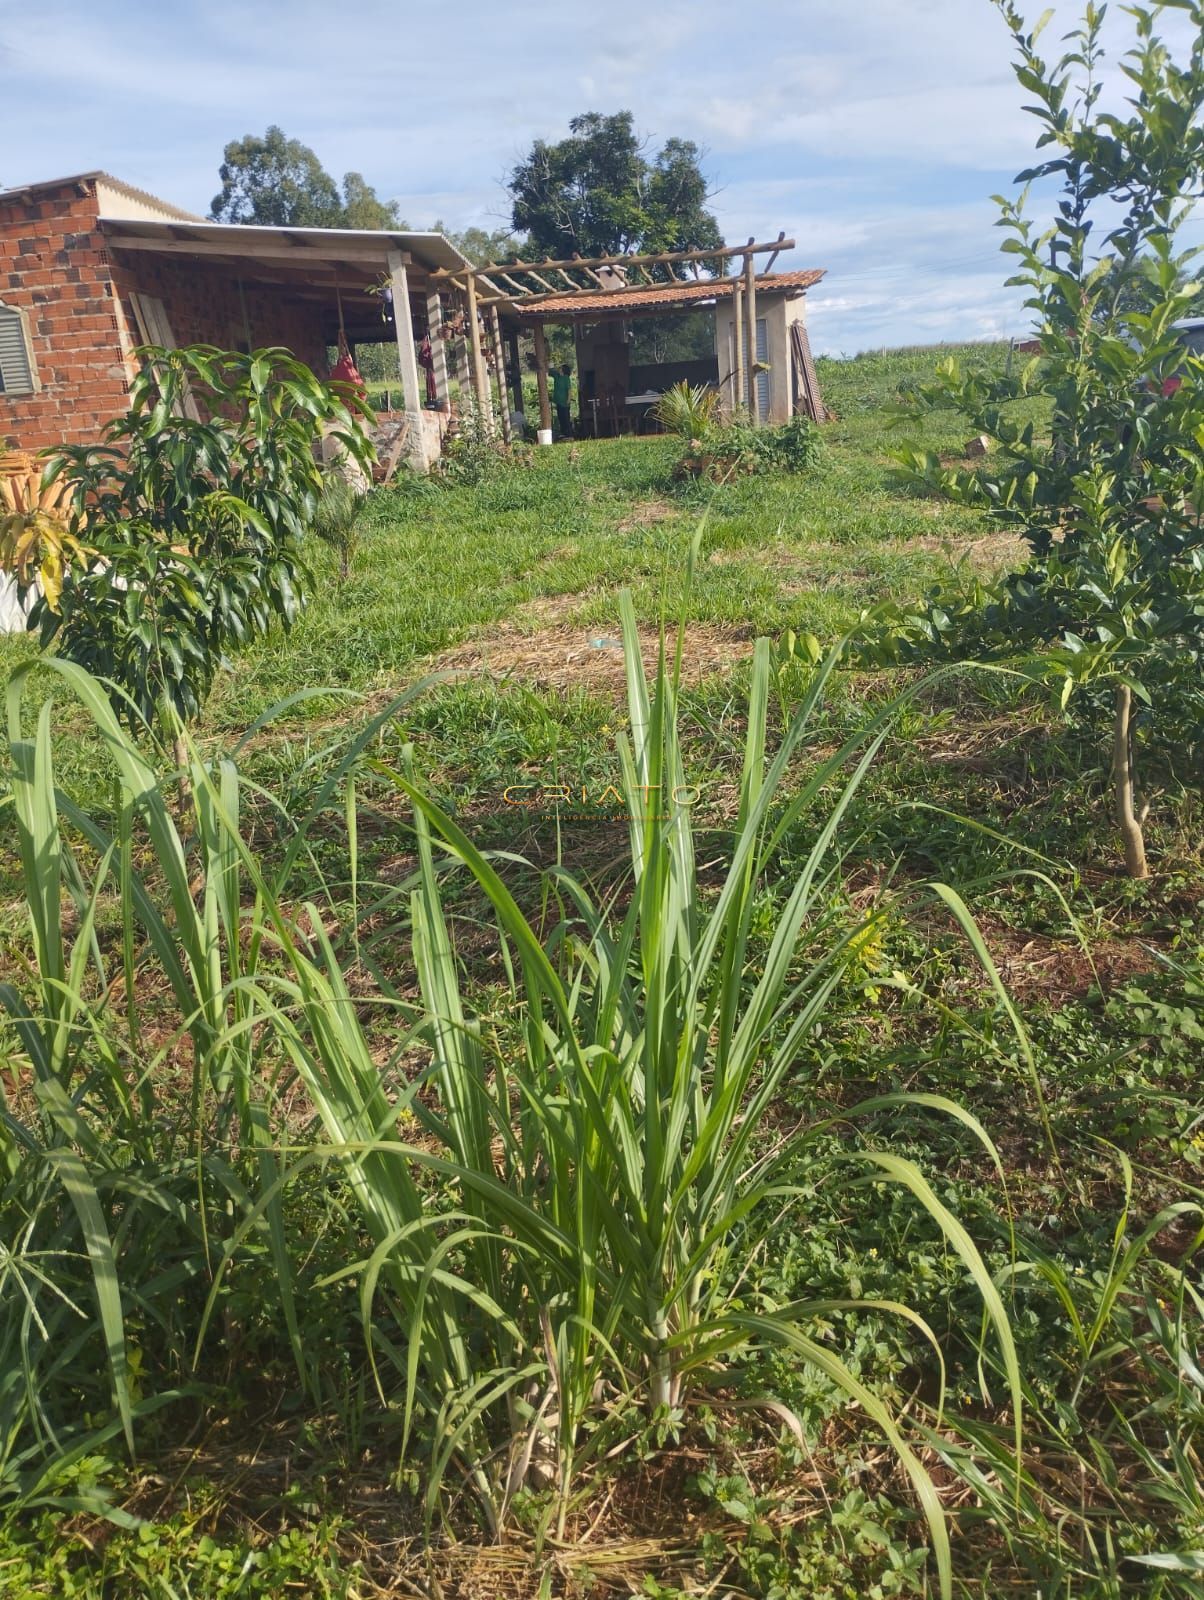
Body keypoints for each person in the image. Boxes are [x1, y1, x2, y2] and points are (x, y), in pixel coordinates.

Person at [551, 364, 573, 439]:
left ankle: (569, 434)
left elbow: (569, 390)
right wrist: (551, 366)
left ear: (563, 370)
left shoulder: (566, 378)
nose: (559, 368)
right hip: (558, 401)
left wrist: (568, 399)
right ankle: (563, 433)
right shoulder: (557, 376)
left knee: (566, 418)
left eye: (560, 368)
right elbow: (550, 372)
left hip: (564, 402)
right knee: (560, 417)